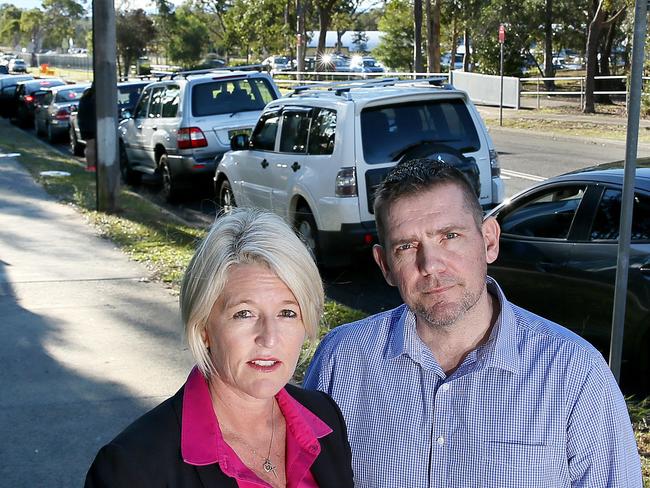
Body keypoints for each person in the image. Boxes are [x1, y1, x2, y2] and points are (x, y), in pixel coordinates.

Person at [304, 158, 642, 487]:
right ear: (385, 265)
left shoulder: (575, 374)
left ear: (489, 241)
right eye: (407, 246)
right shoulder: (341, 360)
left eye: (449, 236)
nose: (431, 264)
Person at [85, 208, 354, 488]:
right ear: (203, 328)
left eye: (287, 313)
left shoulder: (326, 417)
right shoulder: (131, 468)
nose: (269, 338)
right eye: (244, 313)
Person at [77, 83, 96, 172]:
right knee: (91, 146)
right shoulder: (94, 99)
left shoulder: (85, 97)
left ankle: (90, 165)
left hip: (85, 125)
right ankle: (91, 166)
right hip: (91, 126)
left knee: (89, 146)